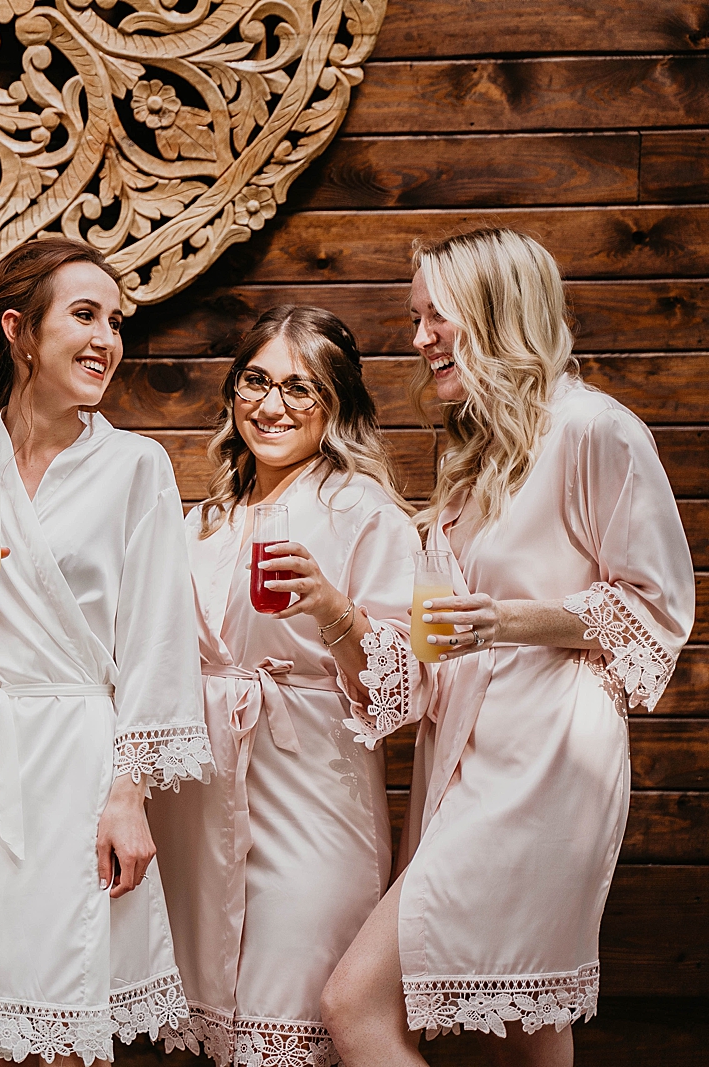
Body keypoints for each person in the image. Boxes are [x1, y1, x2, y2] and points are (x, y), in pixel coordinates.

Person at [321, 228, 695, 1067]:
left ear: (497, 311)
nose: (419, 339)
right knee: (526, 1023)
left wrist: (508, 620)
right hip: (464, 756)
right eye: (415, 318)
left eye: (436, 317)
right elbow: (435, 631)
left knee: (357, 1004)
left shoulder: (598, 429)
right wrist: (338, 614)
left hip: (548, 758)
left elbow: (657, 607)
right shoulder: (471, 445)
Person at [0, 237, 207, 1065]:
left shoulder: (136, 467)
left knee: (70, 1023)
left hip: (80, 763)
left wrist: (129, 794)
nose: (107, 337)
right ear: (19, 330)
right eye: (84, 314)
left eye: (115, 320)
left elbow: (157, 643)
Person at [145, 306, 421, 1065]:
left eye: (300, 389)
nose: (271, 406)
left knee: (291, 1018)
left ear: (336, 403)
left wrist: (336, 609)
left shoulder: (367, 512)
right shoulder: (205, 519)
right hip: (202, 800)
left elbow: (405, 691)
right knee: (220, 1024)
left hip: (313, 791)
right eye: (256, 381)